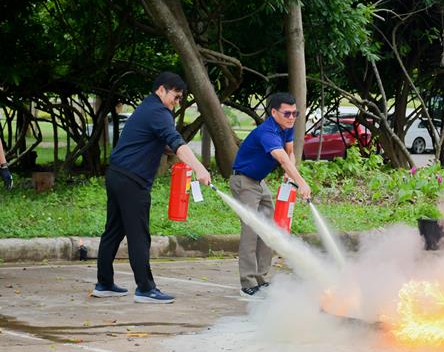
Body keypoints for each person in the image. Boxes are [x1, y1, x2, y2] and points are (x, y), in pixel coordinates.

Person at [93, 71, 211, 304]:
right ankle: (145, 289)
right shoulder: (159, 111)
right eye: (175, 97)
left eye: (179, 98)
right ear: (161, 90)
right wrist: (200, 168)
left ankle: (104, 283)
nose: (176, 102)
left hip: (117, 175)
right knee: (139, 235)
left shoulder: (147, 108)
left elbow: (158, 141)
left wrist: (176, 154)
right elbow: (175, 141)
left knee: (114, 231)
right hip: (132, 181)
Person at [230, 92, 311, 297]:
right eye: (287, 113)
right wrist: (300, 182)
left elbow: (289, 153)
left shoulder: (286, 129)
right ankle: (248, 283)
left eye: (295, 113)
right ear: (274, 112)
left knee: (268, 228)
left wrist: (290, 172)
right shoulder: (267, 132)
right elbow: (281, 158)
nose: (292, 117)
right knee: (251, 231)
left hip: (259, 181)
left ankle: (261, 278)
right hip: (244, 181)